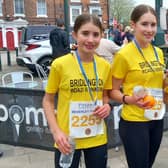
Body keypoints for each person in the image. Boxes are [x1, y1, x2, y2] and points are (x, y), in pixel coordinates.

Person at [43, 14, 112, 168]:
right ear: (75, 35)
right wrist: (56, 133)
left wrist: (107, 106)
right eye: (85, 33)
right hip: (67, 139)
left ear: (101, 36)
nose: (90, 39)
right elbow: (47, 101)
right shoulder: (59, 65)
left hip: (96, 136)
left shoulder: (105, 66)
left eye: (96, 34)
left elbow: (105, 96)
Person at [110, 4, 165, 168]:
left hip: (156, 117)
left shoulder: (158, 52)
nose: (149, 29)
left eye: (153, 25)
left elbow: (158, 83)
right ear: (133, 25)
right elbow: (112, 91)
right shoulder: (123, 55)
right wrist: (129, 99)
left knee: (148, 164)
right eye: (144, 24)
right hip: (134, 121)